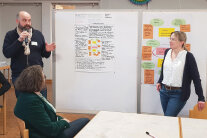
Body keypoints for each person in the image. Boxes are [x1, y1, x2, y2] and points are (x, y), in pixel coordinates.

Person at [14, 65, 89, 138]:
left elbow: (48, 115)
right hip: (46, 135)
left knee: (83, 121)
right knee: (85, 121)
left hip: (42, 131)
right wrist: (64, 122)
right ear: (37, 81)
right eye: (44, 77)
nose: (45, 79)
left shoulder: (27, 95)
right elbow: (50, 130)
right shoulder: (32, 101)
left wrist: (61, 119)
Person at [2, 11, 56, 98]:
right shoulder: (10, 35)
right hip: (19, 75)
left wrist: (47, 50)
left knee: (41, 102)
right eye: (24, 20)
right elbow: (7, 53)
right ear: (17, 21)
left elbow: (45, 55)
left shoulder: (38, 34)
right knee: (24, 104)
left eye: (29, 20)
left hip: (38, 75)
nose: (27, 23)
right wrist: (19, 40)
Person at [156, 31, 205, 117]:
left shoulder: (188, 57)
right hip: (163, 91)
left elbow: (196, 78)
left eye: (173, 39)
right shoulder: (167, 52)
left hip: (178, 94)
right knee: (168, 118)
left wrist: (201, 98)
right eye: (170, 39)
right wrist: (159, 81)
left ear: (182, 42)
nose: (170, 41)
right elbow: (164, 69)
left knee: (168, 118)